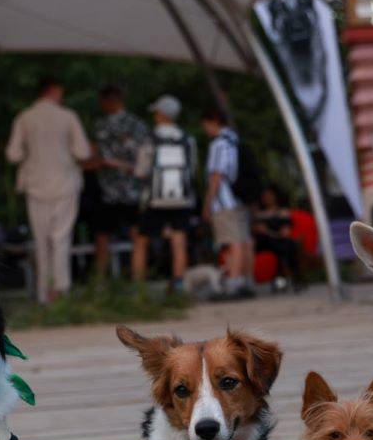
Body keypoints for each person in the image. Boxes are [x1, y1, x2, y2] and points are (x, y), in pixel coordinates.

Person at [6, 76, 94, 303]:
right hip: (64, 184)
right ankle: (61, 292)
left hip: (35, 185)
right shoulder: (68, 116)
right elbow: (83, 152)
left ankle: (44, 294)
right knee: (61, 239)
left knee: (41, 240)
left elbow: (13, 154)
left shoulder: (24, 118)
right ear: (54, 91)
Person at [136, 95, 198, 292]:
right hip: (181, 199)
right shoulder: (188, 139)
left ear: (161, 114)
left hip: (155, 199)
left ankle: (139, 288)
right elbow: (192, 169)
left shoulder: (150, 139)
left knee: (141, 241)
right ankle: (178, 284)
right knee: (179, 241)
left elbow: (141, 170)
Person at [92, 84, 151, 282]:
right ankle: (137, 282)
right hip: (129, 190)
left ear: (111, 101)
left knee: (105, 236)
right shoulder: (138, 124)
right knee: (131, 236)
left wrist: (110, 163)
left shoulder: (103, 125)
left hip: (113, 191)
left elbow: (100, 156)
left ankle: (100, 283)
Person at [201, 108, 256, 300]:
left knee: (234, 242)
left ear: (214, 121)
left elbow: (216, 174)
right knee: (244, 240)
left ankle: (233, 283)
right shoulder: (235, 141)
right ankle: (247, 281)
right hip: (239, 198)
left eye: (206, 124)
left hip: (224, 201)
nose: (205, 129)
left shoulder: (219, 144)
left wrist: (207, 202)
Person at [252, 185, 305, 292]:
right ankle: (282, 280)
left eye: (269, 195)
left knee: (286, 245)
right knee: (284, 245)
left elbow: (285, 233)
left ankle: (290, 279)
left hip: (277, 241)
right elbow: (255, 231)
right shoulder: (257, 213)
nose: (267, 198)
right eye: (265, 195)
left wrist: (267, 231)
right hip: (261, 243)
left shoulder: (282, 212)